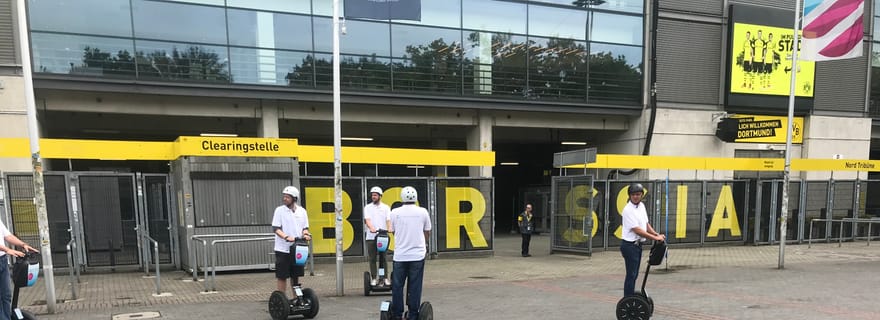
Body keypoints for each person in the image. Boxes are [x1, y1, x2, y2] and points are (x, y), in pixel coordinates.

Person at [389, 186, 432, 320]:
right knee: (415, 285)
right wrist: (423, 243)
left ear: (402, 197)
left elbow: (393, 231)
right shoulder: (423, 212)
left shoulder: (394, 212)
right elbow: (427, 231)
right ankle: (413, 315)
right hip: (417, 255)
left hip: (400, 255)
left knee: (397, 286)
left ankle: (397, 314)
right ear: (416, 197)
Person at [620, 183, 664, 297]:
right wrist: (655, 238)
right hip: (629, 246)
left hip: (637, 245)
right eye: (633, 194)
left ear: (642, 195)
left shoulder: (641, 207)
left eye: (638, 194)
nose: (636, 197)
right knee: (631, 274)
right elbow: (637, 230)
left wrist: (656, 234)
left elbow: (645, 224)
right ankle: (628, 300)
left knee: (635, 274)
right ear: (629, 195)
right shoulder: (627, 210)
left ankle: (630, 298)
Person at [271, 186, 311, 296]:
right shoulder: (279, 211)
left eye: (287, 197)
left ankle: (296, 298)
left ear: (294, 198)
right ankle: (281, 299)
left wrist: (306, 234)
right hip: (282, 249)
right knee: (282, 275)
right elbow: (276, 228)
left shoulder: (302, 211)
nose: (284, 199)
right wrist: (286, 237)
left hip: (298, 248)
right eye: (284, 196)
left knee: (295, 275)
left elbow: (305, 228)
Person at [0, 219, 37, 320]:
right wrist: (8, 250)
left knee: (6, 296)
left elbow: (8, 236)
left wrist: (23, 245)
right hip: (3, 255)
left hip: (2, 260)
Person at [364, 186, 392, 286]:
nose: (373, 197)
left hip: (383, 236)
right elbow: (367, 220)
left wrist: (389, 228)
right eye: (372, 195)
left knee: (383, 257)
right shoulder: (367, 207)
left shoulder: (386, 208)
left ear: (380, 196)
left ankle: (384, 277)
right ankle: (374, 278)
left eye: (375, 195)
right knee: (372, 258)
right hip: (371, 237)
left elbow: (388, 220)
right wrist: (371, 228)